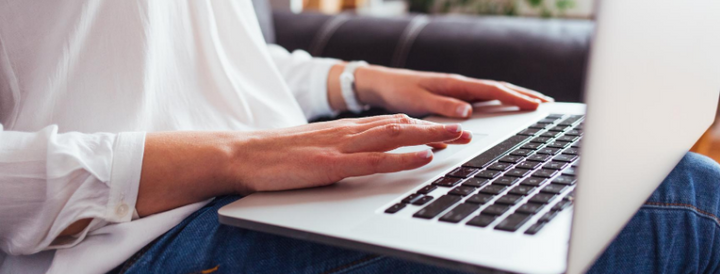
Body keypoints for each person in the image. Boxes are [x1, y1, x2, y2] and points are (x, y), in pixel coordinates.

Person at [0, 1, 718, 274]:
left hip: (271, 177)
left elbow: (198, 56)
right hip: (129, 240)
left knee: (577, 164)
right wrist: (234, 156)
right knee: (690, 200)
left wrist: (359, 80)